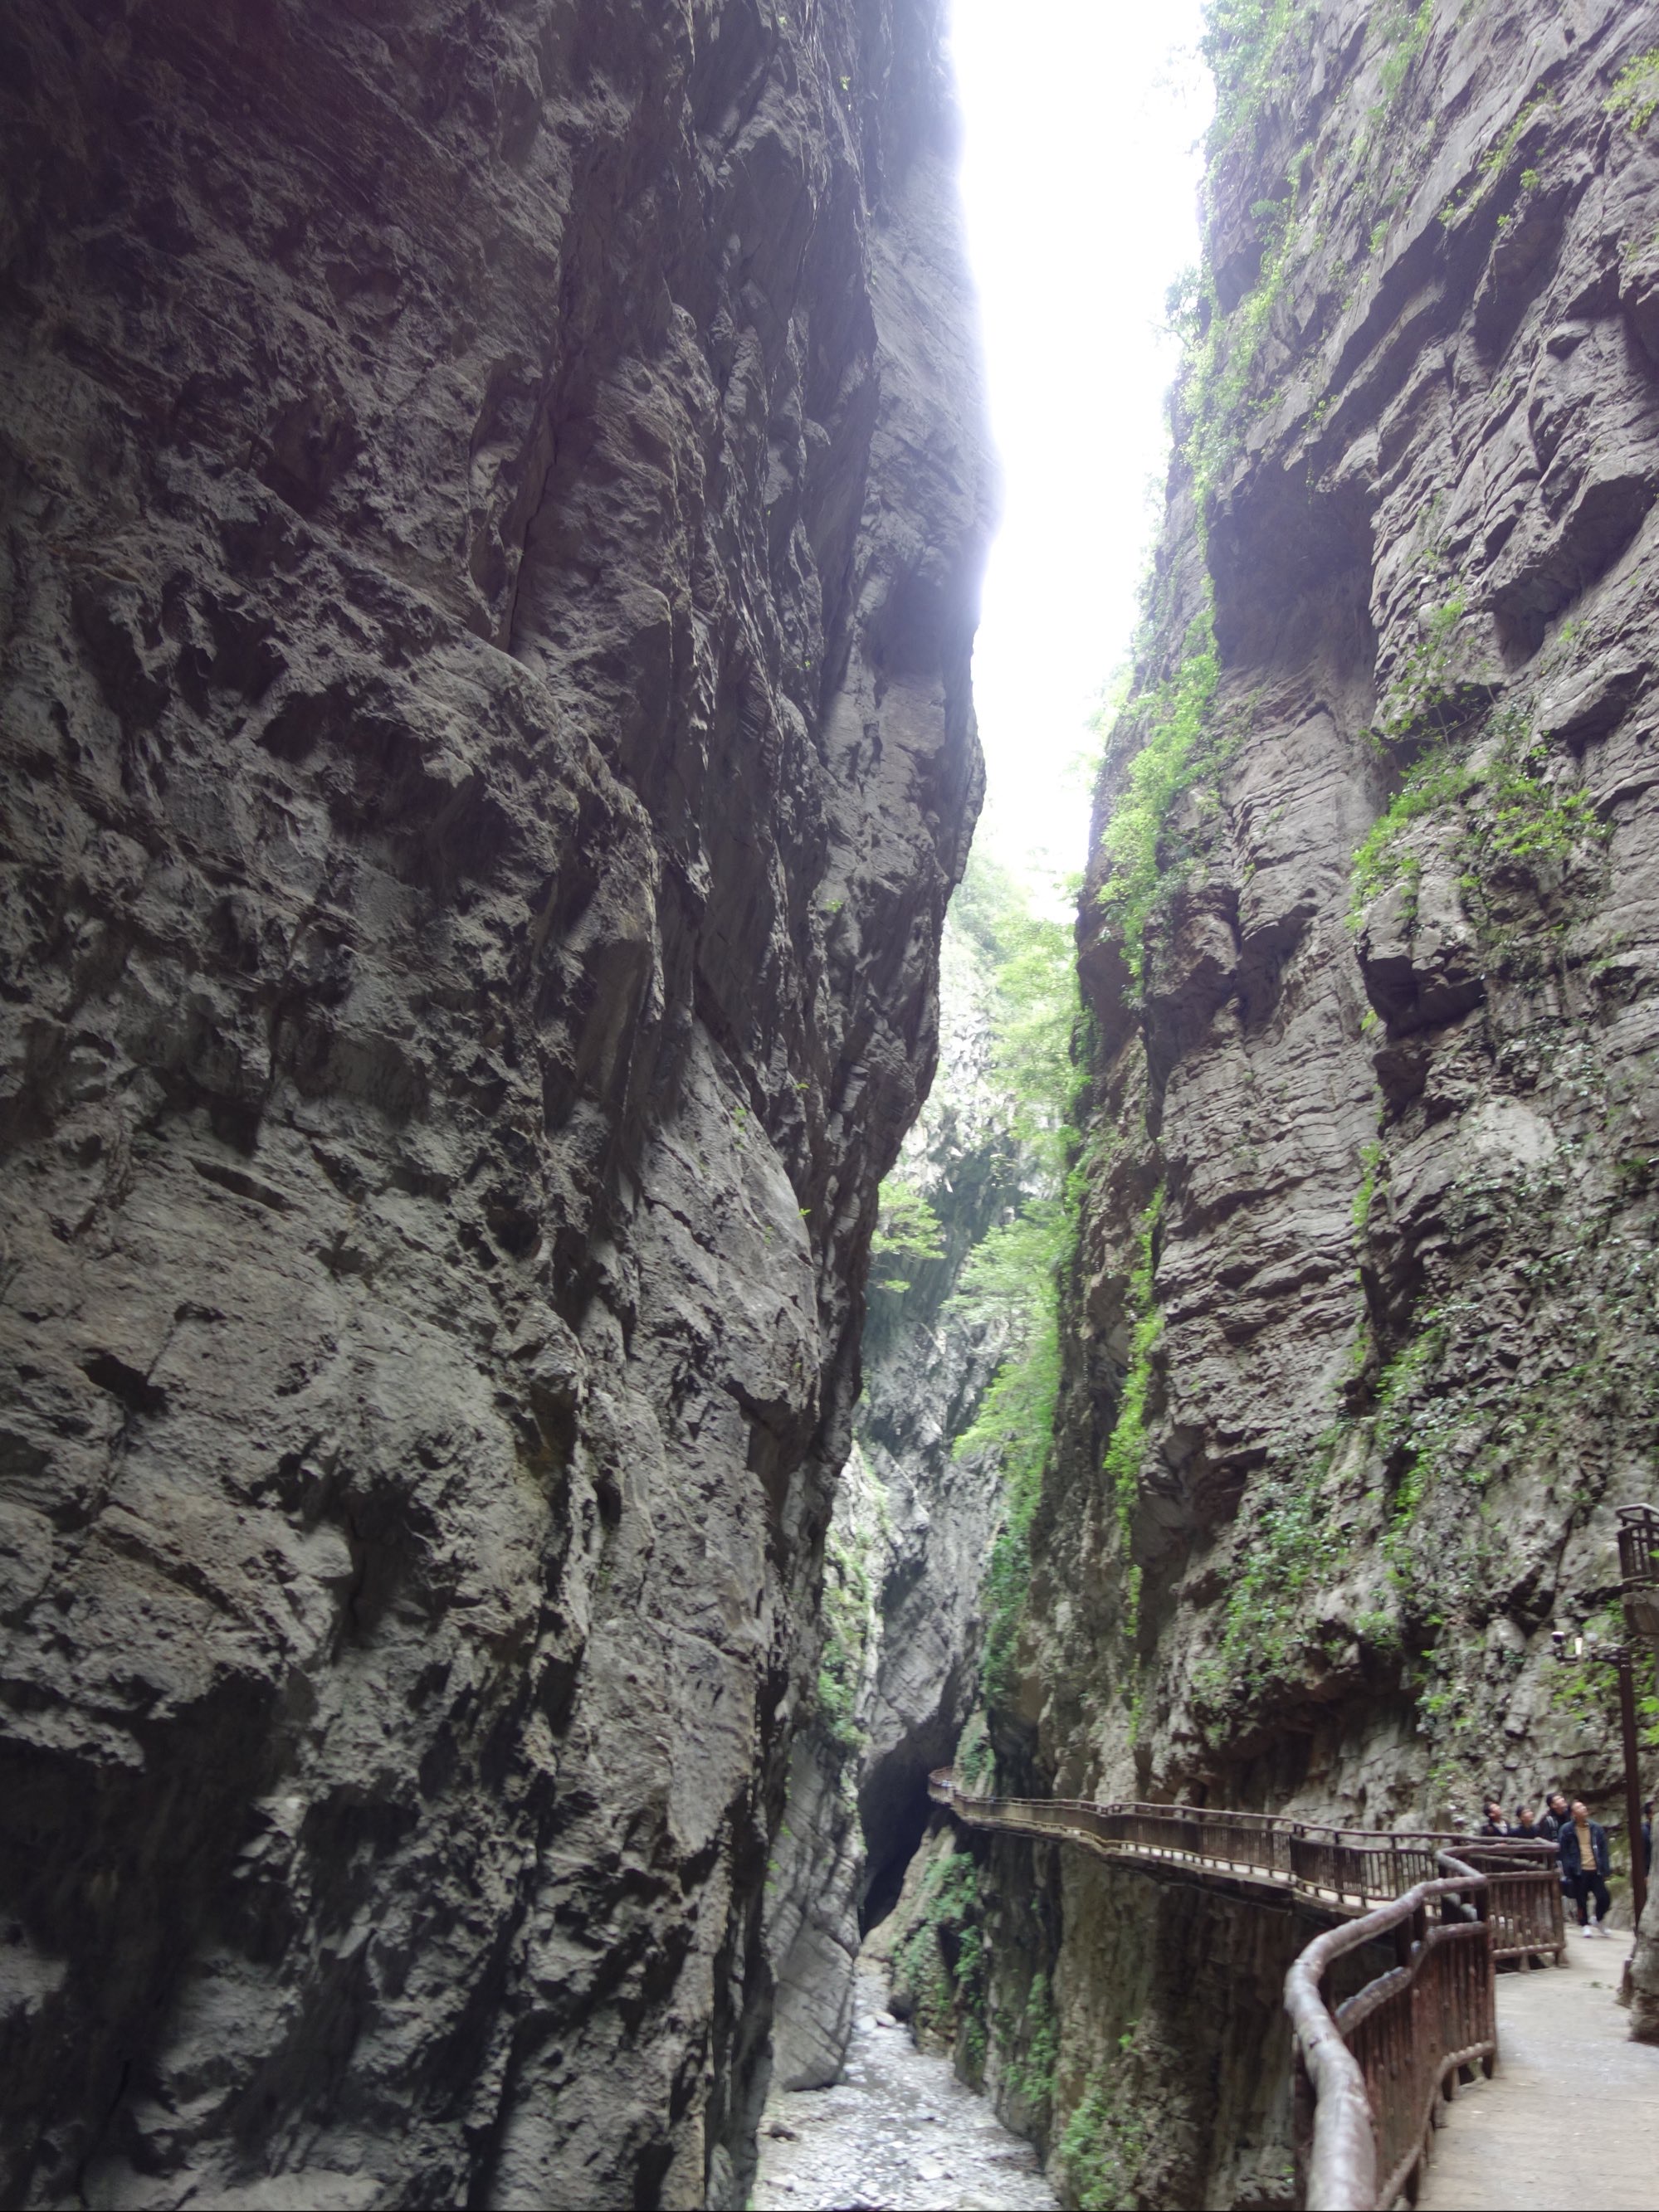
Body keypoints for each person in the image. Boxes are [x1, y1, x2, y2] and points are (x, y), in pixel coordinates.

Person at [1558, 1798, 1613, 1936]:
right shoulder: (1567, 1830)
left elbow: (1603, 1849)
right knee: (1581, 1899)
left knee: (1604, 1898)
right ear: (1573, 1814)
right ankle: (1584, 1924)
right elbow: (1563, 1851)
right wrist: (1567, 1869)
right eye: (1579, 1808)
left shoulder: (1596, 1828)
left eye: (1583, 1806)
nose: (1583, 1809)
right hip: (1578, 1869)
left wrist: (1605, 1867)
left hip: (1595, 1868)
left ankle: (1598, 1919)